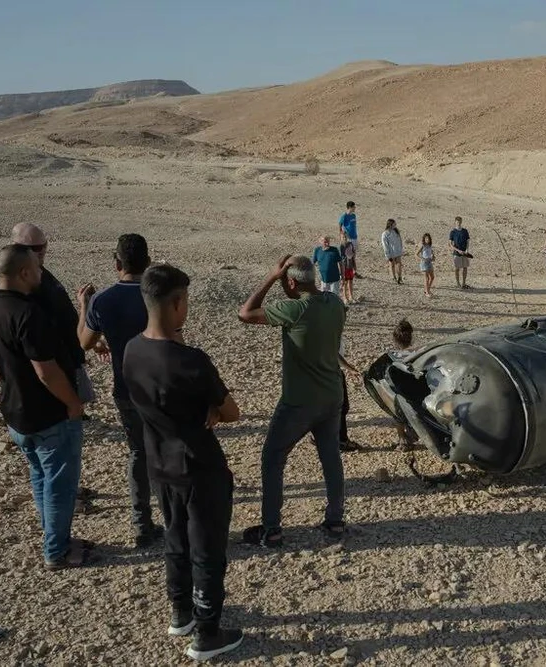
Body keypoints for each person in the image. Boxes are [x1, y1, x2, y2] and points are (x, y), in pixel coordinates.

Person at [123, 264, 243, 661]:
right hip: (199, 467)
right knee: (207, 549)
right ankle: (207, 633)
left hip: (160, 465)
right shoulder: (191, 361)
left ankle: (181, 613)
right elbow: (232, 412)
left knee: (175, 540)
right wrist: (209, 406)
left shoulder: (131, 350)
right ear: (176, 304)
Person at [0, 244, 88, 570]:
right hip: (48, 414)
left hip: (15, 412)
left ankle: (54, 537)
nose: (41, 274)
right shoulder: (27, 314)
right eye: (37, 268)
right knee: (60, 485)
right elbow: (46, 371)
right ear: (23, 273)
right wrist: (73, 403)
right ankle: (57, 551)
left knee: (40, 477)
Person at [237, 256, 347, 547]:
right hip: (332, 394)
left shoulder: (294, 309)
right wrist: (286, 282)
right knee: (330, 457)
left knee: (273, 458)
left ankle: (271, 529)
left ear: (292, 282)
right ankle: (335, 521)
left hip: (300, 400)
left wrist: (272, 277)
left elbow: (245, 313)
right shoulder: (336, 304)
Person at [76, 234, 161, 547]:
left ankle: (142, 523)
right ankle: (173, 516)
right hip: (160, 388)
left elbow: (83, 343)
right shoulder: (157, 296)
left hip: (126, 388)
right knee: (164, 452)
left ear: (116, 264)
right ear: (148, 262)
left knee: (138, 453)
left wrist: (83, 305)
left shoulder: (103, 300)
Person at [8, 223, 96, 407]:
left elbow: (63, 315)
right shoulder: (20, 286)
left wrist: (88, 336)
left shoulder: (41, 273)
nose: (41, 252)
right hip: (51, 367)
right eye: (35, 249)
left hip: (69, 358)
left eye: (44, 246)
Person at [391, 319, 416, 450]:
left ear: (394, 341)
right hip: (417, 393)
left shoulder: (391, 357)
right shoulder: (418, 354)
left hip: (400, 395)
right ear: (411, 338)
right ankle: (412, 433)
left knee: (398, 415)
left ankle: (402, 439)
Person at [339, 201, 360, 278]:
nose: (355, 208)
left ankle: (354, 271)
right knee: (347, 256)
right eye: (354, 207)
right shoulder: (344, 216)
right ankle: (345, 271)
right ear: (350, 207)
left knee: (354, 255)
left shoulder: (354, 216)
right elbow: (340, 226)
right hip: (348, 238)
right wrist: (342, 236)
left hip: (354, 237)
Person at [449, 216, 471, 289]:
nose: (458, 223)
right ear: (455, 222)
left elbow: (468, 241)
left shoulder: (465, 231)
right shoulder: (453, 232)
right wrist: (458, 250)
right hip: (457, 253)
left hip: (464, 253)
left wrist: (467, 250)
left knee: (465, 267)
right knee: (457, 268)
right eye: (457, 222)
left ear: (461, 222)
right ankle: (458, 283)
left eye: (460, 222)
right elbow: (450, 244)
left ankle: (463, 283)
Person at [381, 219, 404, 284]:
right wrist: (387, 255)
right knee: (392, 265)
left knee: (399, 264)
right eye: (394, 224)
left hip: (398, 251)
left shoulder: (396, 231)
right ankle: (394, 277)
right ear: (390, 224)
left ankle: (399, 277)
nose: (395, 225)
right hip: (391, 252)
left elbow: (400, 241)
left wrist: (401, 249)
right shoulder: (385, 233)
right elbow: (385, 245)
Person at [340, 237, 357, 305]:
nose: (345, 238)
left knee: (351, 281)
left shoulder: (350, 244)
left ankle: (351, 296)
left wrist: (354, 265)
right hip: (344, 266)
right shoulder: (341, 246)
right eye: (343, 237)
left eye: (346, 237)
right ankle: (345, 297)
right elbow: (341, 257)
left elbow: (353, 255)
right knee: (345, 282)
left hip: (350, 265)